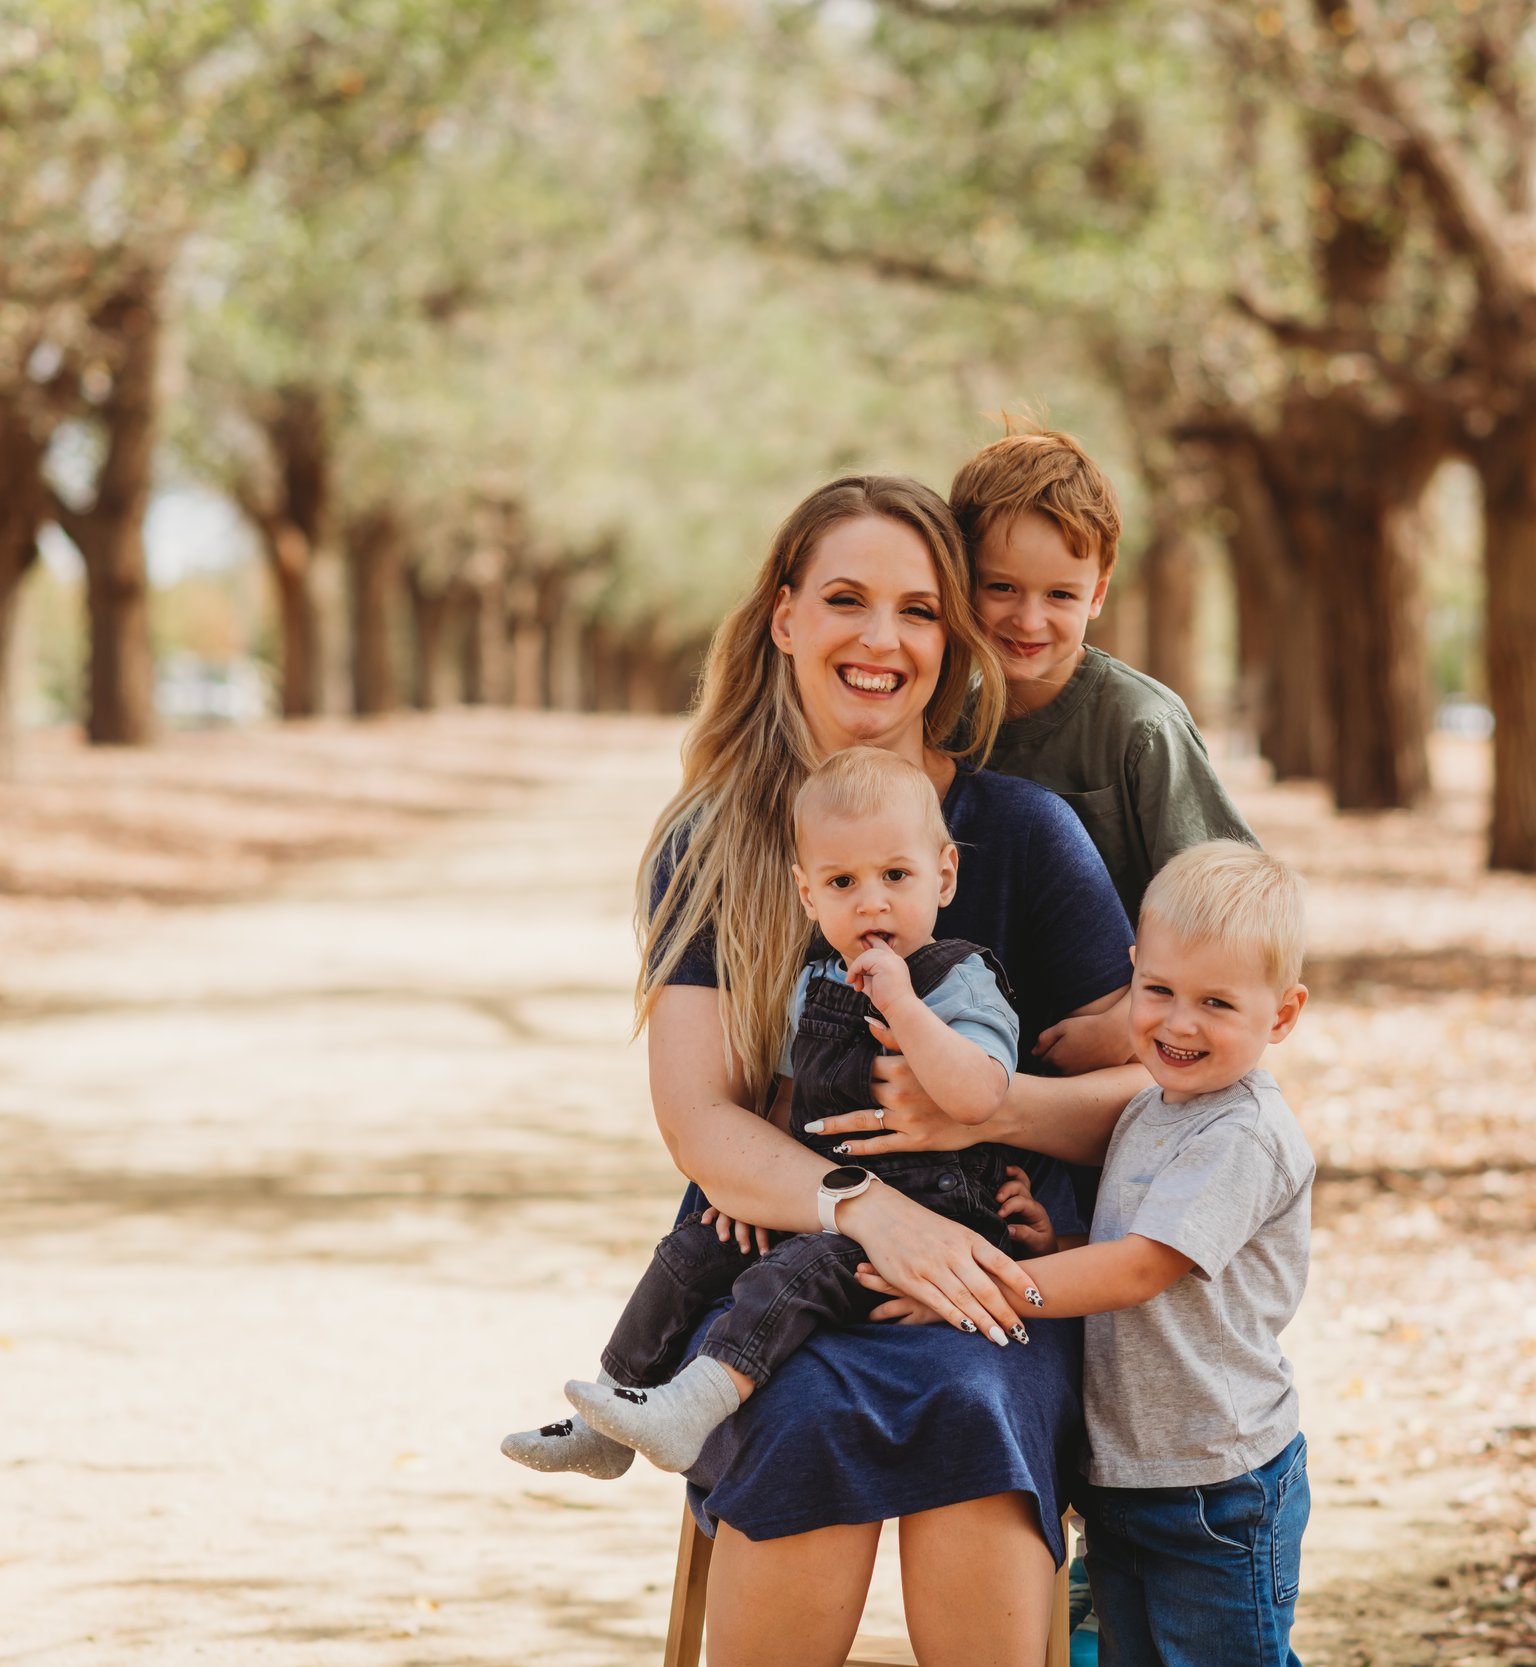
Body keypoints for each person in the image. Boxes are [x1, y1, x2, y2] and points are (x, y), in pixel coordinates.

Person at [538, 475, 1147, 1667]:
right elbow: (697, 1116)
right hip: (779, 1263)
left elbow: (1159, 1086)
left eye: (919, 610)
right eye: (847, 599)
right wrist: (866, 1210)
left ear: (950, 638)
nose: (882, 638)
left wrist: (994, 1105)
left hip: (987, 1278)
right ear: (783, 616)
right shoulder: (710, 841)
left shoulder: (1018, 831)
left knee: (973, 1405)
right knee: (799, 1409)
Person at [499, 747, 1030, 1477]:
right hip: (835, 1202)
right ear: (808, 895)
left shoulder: (958, 982)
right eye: (844, 882)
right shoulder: (813, 981)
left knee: (795, 1272)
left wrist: (904, 1005)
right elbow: (788, 1101)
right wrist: (759, 1194)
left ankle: (695, 1406)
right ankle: (615, 1412)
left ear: (944, 874)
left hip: (934, 1212)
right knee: (694, 1247)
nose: (872, 902)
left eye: (896, 877)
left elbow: (979, 1096)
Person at [860, 841, 1317, 1667]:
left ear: (1281, 1015)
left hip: (1217, 1482)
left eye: (1217, 1002)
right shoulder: (1155, 1106)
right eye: (1160, 990)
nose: (1179, 1023)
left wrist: (985, 1287)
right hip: (1132, 1473)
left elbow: (1143, 1269)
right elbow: (1126, 1258)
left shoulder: (1243, 1133)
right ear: (1134, 970)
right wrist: (1060, 1241)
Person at [947, 428, 1258, 1079]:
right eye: (1001, 587)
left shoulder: (1140, 727)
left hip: (1121, 1069)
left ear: (1098, 592)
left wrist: (1134, 1021)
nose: (1029, 620)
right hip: (982, 1059)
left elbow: (1233, 911)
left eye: (1060, 594)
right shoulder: (945, 726)